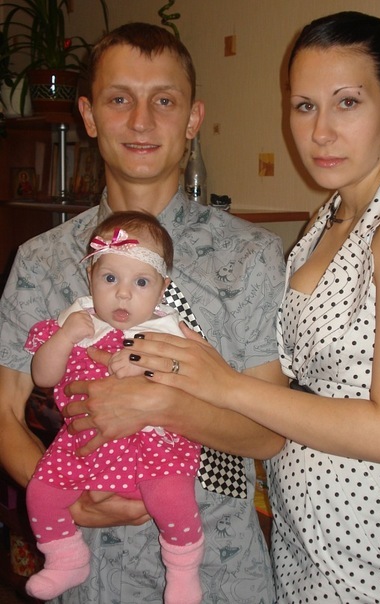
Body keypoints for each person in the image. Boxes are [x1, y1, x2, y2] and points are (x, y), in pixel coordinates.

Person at [101, 12, 380, 604]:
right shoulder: (331, 217)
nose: (321, 133)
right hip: (300, 528)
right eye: (304, 106)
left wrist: (226, 385)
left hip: (370, 535)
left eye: (347, 103)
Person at [0, 23, 287, 603]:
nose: (140, 121)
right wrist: (63, 495)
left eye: (164, 101)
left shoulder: (250, 257)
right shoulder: (40, 262)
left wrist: (163, 406)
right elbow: (4, 408)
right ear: (88, 115)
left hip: (217, 571)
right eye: (119, 99)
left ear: (193, 119)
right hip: (89, 571)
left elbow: (270, 433)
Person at [24, 211, 205, 603]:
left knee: (172, 500)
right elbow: (43, 376)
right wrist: (64, 338)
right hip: (82, 440)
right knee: (40, 493)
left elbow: (198, 383)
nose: (123, 294)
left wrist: (147, 365)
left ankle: (183, 573)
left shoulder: (168, 330)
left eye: (141, 282)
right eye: (110, 279)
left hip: (153, 446)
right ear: (90, 276)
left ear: (163, 288)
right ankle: (65, 558)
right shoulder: (77, 321)